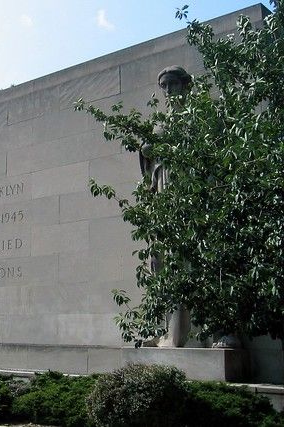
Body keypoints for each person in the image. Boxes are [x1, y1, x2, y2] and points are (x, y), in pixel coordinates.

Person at [140, 66, 192, 347]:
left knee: (192, 260)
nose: (169, 90)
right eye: (164, 86)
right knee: (162, 261)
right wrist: (147, 152)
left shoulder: (194, 117)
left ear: (185, 85)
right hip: (164, 193)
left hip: (190, 194)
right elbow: (147, 163)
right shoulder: (160, 122)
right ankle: (165, 330)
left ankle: (201, 332)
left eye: (173, 84)